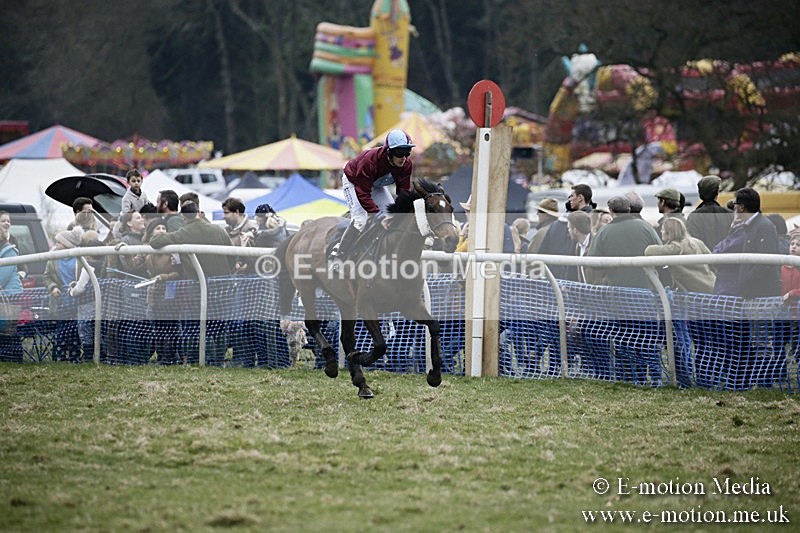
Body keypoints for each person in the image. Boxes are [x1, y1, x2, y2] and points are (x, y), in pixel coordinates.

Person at [329, 129, 415, 260]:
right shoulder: (369, 161)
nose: (404, 157)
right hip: (354, 182)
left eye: (407, 152)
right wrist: (379, 216)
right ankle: (339, 255)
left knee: (392, 217)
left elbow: (403, 192)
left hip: (376, 184)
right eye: (400, 152)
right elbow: (363, 193)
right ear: (389, 151)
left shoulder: (406, 164)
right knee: (360, 220)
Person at [712, 187, 781, 299]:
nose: (734, 207)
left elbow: (765, 263)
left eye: (735, 204)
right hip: (753, 294)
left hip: (762, 296)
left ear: (742, 207)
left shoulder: (764, 227)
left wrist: (745, 282)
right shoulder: (751, 226)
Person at [586, 195, 661, 289]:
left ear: (611, 211)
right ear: (629, 209)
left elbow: (594, 264)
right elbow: (660, 253)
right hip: (646, 288)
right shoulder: (646, 226)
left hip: (617, 288)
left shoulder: (603, 232)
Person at [149, 202, 233, 278]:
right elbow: (232, 255)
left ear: (183, 216)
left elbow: (155, 242)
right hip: (223, 282)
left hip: (197, 284)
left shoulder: (183, 233)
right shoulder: (218, 230)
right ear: (198, 212)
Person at [143, 218, 183, 364]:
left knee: (170, 326)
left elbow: (180, 272)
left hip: (170, 293)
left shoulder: (173, 250)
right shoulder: (146, 249)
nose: (161, 231)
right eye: (158, 228)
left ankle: (170, 356)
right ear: (151, 232)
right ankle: (161, 355)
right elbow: (134, 264)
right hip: (154, 294)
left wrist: (165, 277)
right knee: (157, 327)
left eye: (163, 228)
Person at [644, 217, 716, 293]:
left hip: (697, 291)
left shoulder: (675, 248)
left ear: (669, 233)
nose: (661, 231)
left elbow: (649, 251)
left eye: (663, 229)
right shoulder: (697, 242)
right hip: (713, 285)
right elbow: (713, 262)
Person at [66, 231, 104, 362]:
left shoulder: (88, 267)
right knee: (98, 330)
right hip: (101, 303)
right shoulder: (104, 266)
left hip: (87, 303)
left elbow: (80, 288)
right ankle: (100, 355)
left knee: (85, 330)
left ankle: (88, 357)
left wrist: (71, 291)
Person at [686, 175, 734, 251]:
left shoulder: (694, 216)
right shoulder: (730, 214)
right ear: (717, 192)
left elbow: (693, 242)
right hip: (726, 257)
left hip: (703, 257)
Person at [0, 211, 27, 282]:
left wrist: (19, 276)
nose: (6, 223)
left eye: (8, 221)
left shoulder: (13, 240)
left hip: (10, 285)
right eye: (3, 221)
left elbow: (22, 265)